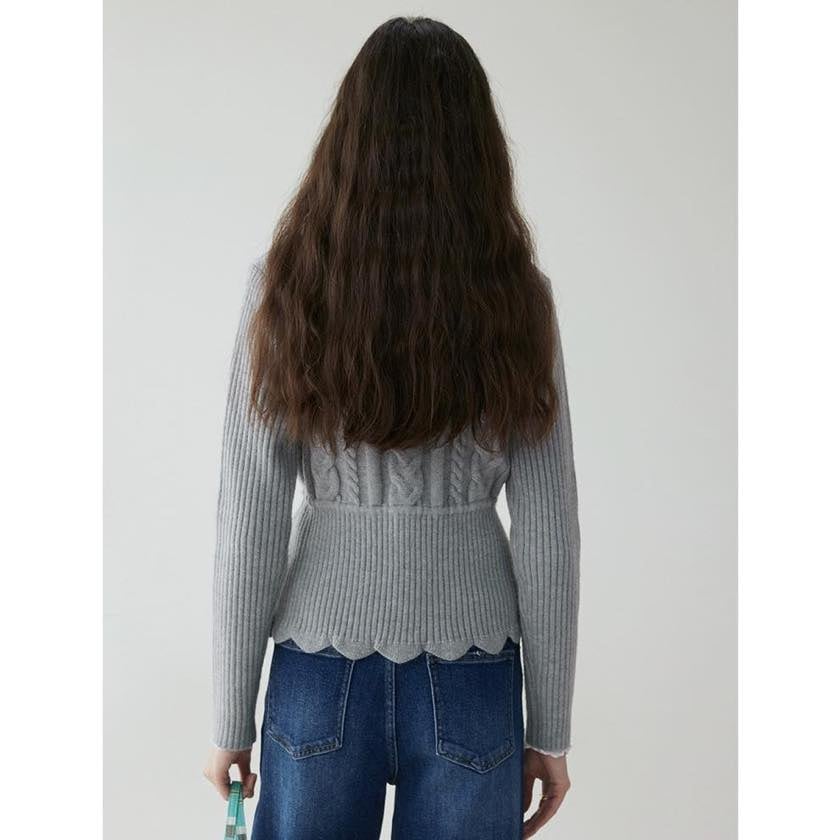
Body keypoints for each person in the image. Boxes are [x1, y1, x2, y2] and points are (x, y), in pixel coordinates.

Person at [203, 16, 580, 840]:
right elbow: (550, 530)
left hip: (318, 667)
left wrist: (230, 717)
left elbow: (250, 517)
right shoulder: (520, 299)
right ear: (480, 148)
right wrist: (550, 731)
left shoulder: (286, 287)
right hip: (473, 672)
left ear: (348, 138)